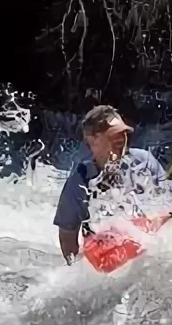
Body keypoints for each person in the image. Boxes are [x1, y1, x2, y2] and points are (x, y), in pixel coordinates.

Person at [52, 105, 166, 264]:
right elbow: (67, 238)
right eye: (113, 135)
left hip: (146, 250)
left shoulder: (144, 162)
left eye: (124, 133)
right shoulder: (80, 181)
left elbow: (167, 202)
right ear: (93, 142)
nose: (122, 139)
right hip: (107, 259)